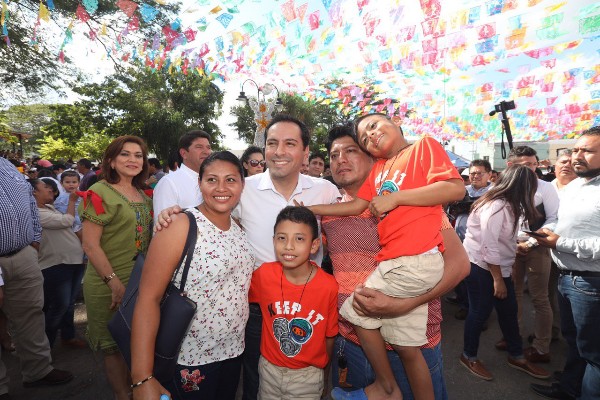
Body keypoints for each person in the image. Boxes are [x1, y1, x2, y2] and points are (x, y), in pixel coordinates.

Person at [155, 114, 341, 400]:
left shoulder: (326, 190)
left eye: (290, 143)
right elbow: (210, 213)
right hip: (256, 307)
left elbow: (349, 230)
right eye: (272, 143)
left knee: (307, 379)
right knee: (255, 383)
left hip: (310, 307)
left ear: (305, 151)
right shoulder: (244, 189)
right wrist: (174, 213)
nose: (279, 151)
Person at [308, 113, 465, 400]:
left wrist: (404, 304)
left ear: (373, 158)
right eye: (333, 155)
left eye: (351, 150)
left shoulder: (417, 202)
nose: (340, 160)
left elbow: (460, 266)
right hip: (352, 345)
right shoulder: (329, 216)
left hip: (413, 345)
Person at [131, 151, 254, 400]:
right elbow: (148, 299)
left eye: (231, 180)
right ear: (200, 183)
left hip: (232, 352)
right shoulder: (180, 225)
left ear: (242, 184)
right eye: (212, 179)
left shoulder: (238, 227)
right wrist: (141, 377)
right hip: (189, 358)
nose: (221, 188)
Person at [461, 165, 551, 381]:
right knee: (479, 312)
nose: (534, 191)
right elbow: (489, 246)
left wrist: (523, 243)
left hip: (498, 267)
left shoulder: (510, 204)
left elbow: (507, 236)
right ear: (520, 186)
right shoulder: (496, 206)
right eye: (531, 186)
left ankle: (516, 355)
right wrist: (498, 280)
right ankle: (468, 355)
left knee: (509, 311)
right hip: (482, 267)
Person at [79, 136, 153, 400]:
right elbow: (90, 245)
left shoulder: (143, 193)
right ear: (110, 161)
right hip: (107, 283)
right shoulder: (99, 192)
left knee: (137, 343)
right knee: (113, 347)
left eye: (138, 155)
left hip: (140, 282)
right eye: (125, 154)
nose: (133, 160)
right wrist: (114, 283)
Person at [531, 126, 600, 400]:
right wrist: (543, 234)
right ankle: (571, 389)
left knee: (594, 354)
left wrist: (560, 243)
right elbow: (560, 220)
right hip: (566, 277)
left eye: (587, 151)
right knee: (575, 344)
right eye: (575, 150)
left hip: (591, 283)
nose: (576, 156)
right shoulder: (574, 186)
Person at [0, 157, 73, 399]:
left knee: (31, 314)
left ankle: (38, 371)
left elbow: (30, 203)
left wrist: (35, 240)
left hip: (23, 254)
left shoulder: (6, 166)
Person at [249, 206, 339, 399]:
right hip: (269, 370)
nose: (288, 246)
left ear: (314, 245)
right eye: (282, 238)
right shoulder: (264, 275)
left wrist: (325, 373)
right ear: (273, 241)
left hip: (308, 376)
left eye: (299, 239)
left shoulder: (328, 286)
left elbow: (330, 335)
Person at [500, 146, 559, 363]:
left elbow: (554, 218)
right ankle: (512, 337)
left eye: (534, 164)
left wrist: (532, 242)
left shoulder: (545, 187)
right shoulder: (503, 187)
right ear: (510, 165)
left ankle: (541, 347)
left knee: (540, 297)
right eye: (526, 165)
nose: (532, 169)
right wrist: (510, 243)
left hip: (539, 247)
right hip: (510, 247)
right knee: (513, 294)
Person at [30, 178, 85, 349]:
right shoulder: (36, 213)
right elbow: (67, 221)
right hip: (57, 264)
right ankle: (45, 347)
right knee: (59, 305)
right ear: (34, 192)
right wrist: (72, 201)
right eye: (45, 187)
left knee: (69, 303)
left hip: (72, 261)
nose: (50, 190)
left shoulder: (48, 208)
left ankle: (68, 337)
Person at [446, 159, 493, 320]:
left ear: (489, 174)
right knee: (462, 277)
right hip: (460, 241)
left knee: (482, 282)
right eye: (472, 173)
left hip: (484, 245)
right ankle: (465, 305)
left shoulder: (495, 192)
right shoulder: (462, 190)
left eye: (480, 173)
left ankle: (482, 316)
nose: (475, 176)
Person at [153, 130, 212, 222]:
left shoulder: (213, 181)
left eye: (208, 147)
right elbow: (163, 225)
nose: (206, 152)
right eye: (199, 147)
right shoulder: (168, 183)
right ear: (184, 153)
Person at [54, 171, 83, 240]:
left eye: (74, 182)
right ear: (61, 183)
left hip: (82, 221)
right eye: (67, 182)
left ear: (79, 183)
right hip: (69, 223)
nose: (71, 184)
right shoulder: (60, 197)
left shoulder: (82, 195)